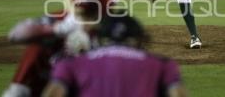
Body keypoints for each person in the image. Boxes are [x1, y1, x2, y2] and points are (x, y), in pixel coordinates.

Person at [2, 0, 117, 97]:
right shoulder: (60, 19)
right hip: (27, 89)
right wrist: (58, 29)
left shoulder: (105, 33)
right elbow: (15, 34)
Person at [43, 14, 187, 97]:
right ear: (138, 39)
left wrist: (60, 30)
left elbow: (53, 94)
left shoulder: (71, 64)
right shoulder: (163, 65)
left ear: (99, 38)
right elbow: (177, 94)